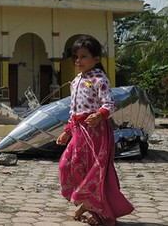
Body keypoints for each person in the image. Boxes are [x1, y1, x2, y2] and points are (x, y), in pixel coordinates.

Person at [56, 35, 134, 225]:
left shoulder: (100, 80)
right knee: (66, 165)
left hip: (96, 133)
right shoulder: (75, 81)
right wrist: (67, 130)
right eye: (76, 57)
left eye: (83, 56)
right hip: (78, 131)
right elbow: (73, 110)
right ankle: (84, 204)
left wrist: (99, 115)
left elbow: (109, 103)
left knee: (93, 173)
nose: (78, 61)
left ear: (96, 59)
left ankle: (98, 213)